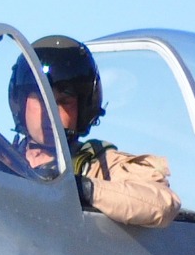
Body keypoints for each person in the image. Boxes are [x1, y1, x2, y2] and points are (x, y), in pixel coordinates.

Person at [9, 36, 180, 228]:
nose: (51, 113)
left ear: (82, 110)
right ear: (20, 103)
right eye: (41, 100)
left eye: (64, 102)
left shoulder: (101, 164)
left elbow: (161, 204)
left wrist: (82, 188)